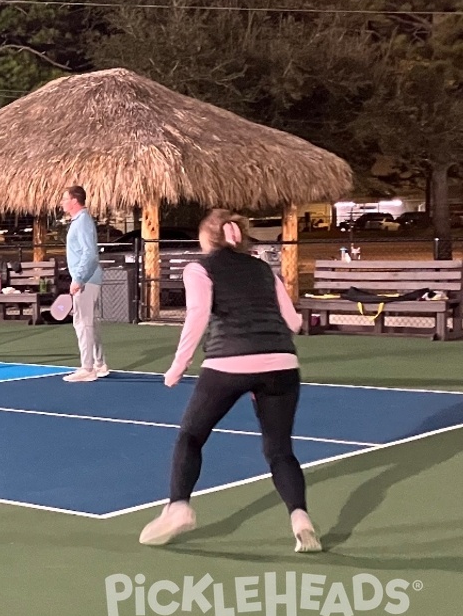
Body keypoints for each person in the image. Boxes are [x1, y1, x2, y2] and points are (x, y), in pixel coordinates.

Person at [139, 209, 320, 553]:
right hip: (283, 363)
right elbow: (294, 322)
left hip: (229, 362)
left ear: (207, 238)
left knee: (191, 436)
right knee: (280, 452)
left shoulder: (199, 268)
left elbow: (197, 316)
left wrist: (179, 365)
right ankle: (301, 519)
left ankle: (178, 506)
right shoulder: (264, 269)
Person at [61, 185, 108, 382]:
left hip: (87, 279)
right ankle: (99, 364)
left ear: (74, 201)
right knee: (89, 324)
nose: (61, 202)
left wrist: (78, 279)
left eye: (64, 198)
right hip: (88, 279)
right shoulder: (79, 222)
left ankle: (87, 368)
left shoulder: (82, 222)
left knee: (82, 324)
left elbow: (90, 254)